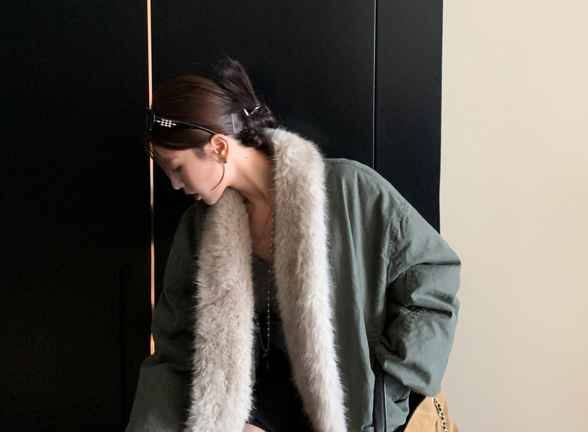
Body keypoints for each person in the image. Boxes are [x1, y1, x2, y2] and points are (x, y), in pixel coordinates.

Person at [126, 58, 461, 432]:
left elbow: (432, 279)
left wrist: (390, 385)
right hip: (261, 400)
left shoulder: (350, 190)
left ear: (219, 147)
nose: (175, 184)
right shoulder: (199, 228)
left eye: (176, 167)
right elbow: (175, 348)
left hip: (348, 400)